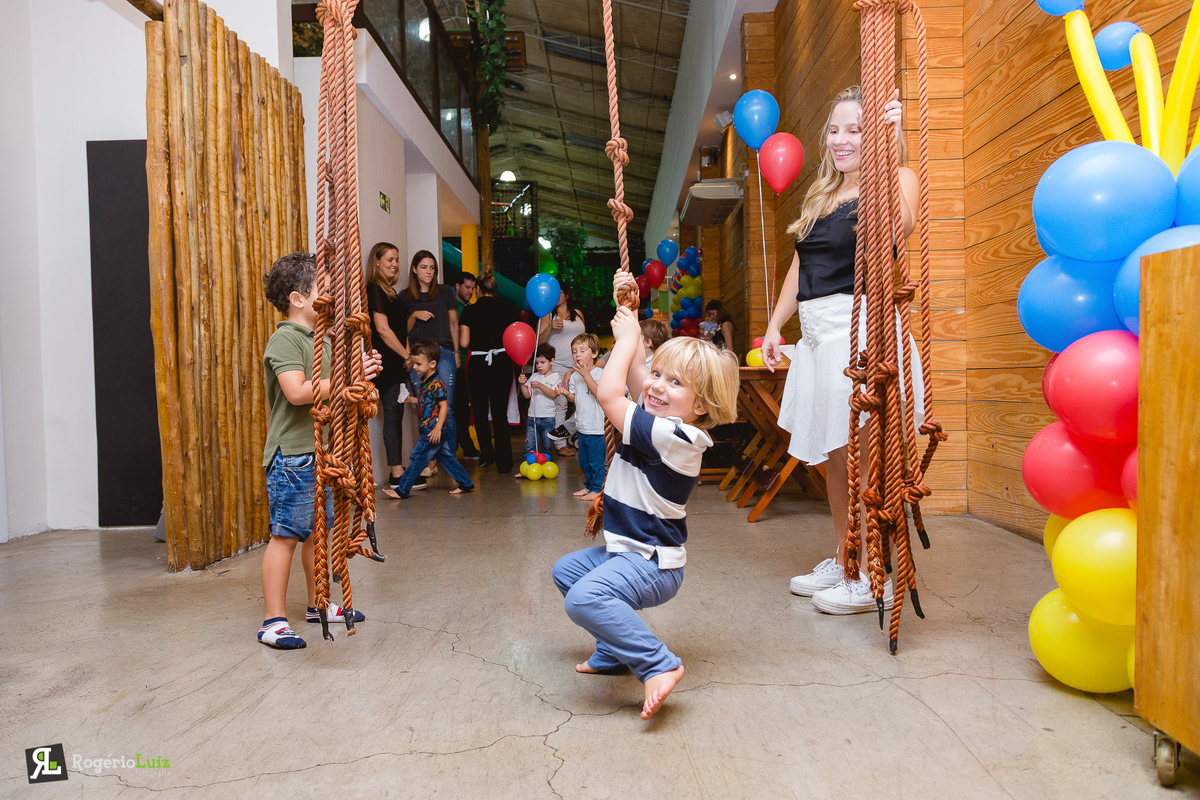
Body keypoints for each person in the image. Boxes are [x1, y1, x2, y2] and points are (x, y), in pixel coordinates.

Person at [761, 86, 923, 615]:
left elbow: (900, 227)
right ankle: (844, 555)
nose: (840, 139)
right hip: (816, 340)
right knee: (836, 460)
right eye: (834, 129)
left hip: (858, 333)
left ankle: (872, 572)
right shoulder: (820, 196)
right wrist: (775, 326)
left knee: (863, 460)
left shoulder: (894, 180)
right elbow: (799, 266)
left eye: (855, 129)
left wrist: (891, 142)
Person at [551, 271, 738, 719]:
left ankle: (658, 663)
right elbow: (636, 378)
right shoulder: (662, 420)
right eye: (658, 374)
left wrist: (626, 339)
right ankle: (614, 649)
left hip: (653, 564)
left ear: (700, 406)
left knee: (584, 598)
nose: (655, 386)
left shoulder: (674, 436)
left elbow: (611, 393)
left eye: (674, 383)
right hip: (629, 550)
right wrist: (631, 316)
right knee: (567, 572)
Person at [258, 252, 382, 649]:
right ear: (298, 299)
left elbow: (337, 390)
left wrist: (362, 373)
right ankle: (273, 621)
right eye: (322, 291)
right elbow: (297, 392)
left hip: (321, 454)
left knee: (317, 535)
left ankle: (318, 603)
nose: (330, 298)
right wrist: (349, 379)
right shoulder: (286, 339)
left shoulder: (322, 343)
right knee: (286, 536)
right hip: (292, 457)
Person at [390, 340, 476, 499]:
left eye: (418, 364)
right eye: (414, 363)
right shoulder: (424, 380)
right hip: (430, 428)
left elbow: (444, 406)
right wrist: (412, 400)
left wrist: (437, 429)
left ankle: (402, 490)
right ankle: (466, 482)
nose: (414, 367)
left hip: (433, 430)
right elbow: (427, 401)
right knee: (447, 458)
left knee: (416, 458)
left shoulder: (437, 383)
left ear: (432, 364)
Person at [405, 251, 461, 474]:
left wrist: (456, 352)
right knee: (424, 408)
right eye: (424, 267)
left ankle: (450, 461)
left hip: (444, 354)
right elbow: (402, 330)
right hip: (418, 357)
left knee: (448, 407)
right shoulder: (405, 296)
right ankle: (430, 462)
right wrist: (414, 315)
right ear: (414, 269)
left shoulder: (446, 292)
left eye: (432, 268)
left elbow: (454, 324)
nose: (429, 272)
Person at [365, 242, 413, 499]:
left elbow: (401, 328)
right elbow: (382, 329)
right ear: (377, 261)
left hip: (398, 360)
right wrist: (406, 355)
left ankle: (399, 469)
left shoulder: (390, 291)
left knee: (397, 414)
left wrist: (407, 355)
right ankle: (396, 473)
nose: (394, 264)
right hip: (385, 361)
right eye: (390, 260)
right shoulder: (374, 289)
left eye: (396, 260)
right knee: (393, 415)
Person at [460, 272, 518, 474]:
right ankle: (504, 461)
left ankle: (486, 455)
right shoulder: (505, 309)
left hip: (478, 363)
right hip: (501, 362)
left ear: (478, 289)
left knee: (480, 411)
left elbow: (464, 342)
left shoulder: (469, 311)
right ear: (494, 290)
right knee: (500, 413)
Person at [538, 285, 585, 455]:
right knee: (561, 405)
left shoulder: (578, 314)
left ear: (566, 295)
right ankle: (560, 444)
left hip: (578, 366)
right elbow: (539, 342)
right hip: (557, 366)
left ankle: (578, 435)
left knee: (584, 401)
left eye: (559, 292)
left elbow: (584, 339)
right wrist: (550, 327)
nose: (555, 295)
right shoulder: (548, 315)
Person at [562, 333, 605, 501]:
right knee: (584, 461)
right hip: (581, 427)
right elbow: (576, 398)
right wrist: (567, 394)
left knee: (596, 462)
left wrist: (586, 375)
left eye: (582, 350)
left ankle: (598, 489)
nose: (577, 355)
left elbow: (600, 394)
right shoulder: (574, 376)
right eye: (574, 352)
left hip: (596, 427)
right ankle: (588, 486)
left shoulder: (601, 374)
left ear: (594, 353)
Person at [517, 343, 562, 472]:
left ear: (552, 361)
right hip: (532, 417)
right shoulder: (534, 376)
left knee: (547, 446)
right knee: (529, 445)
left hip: (548, 418)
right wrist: (522, 384)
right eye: (537, 363)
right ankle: (526, 470)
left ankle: (547, 469)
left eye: (543, 362)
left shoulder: (556, 377)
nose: (539, 366)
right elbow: (527, 395)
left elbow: (554, 394)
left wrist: (541, 386)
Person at [452, 273, 479, 459]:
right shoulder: (450, 307)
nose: (470, 291)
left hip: (469, 363)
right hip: (453, 363)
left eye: (472, 288)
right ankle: (460, 444)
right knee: (455, 406)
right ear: (457, 286)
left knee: (464, 406)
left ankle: (462, 443)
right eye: (467, 287)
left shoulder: (470, 309)